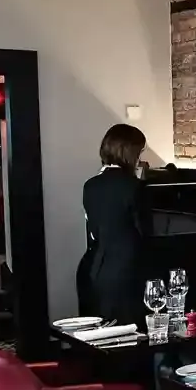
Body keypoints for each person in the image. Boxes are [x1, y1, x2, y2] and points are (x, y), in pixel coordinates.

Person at [76, 124, 152, 326]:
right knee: (132, 335)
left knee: (103, 333)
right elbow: (145, 233)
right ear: (130, 152)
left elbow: (93, 231)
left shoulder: (90, 185)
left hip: (95, 267)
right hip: (129, 272)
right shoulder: (134, 187)